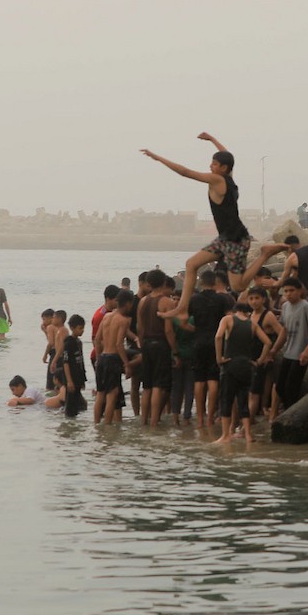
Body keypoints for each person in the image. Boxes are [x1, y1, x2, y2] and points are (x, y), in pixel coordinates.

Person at [142, 133, 279, 319]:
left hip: (235, 240)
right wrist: (212, 139)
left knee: (238, 286)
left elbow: (186, 173)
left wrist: (157, 158)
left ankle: (264, 254)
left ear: (223, 168)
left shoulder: (218, 180)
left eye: (214, 164)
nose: (210, 166)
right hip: (225, 238)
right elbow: (227, 154)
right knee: (191, 264)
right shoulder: (228, 176)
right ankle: (182, 308)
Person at [213, 302, 272, 443]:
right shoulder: (252, 324)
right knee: (243, 400)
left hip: (230, 364)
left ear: (235, 311)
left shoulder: (227, 319)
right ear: (247, 312)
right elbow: (268, 342)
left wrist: (219, 358)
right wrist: (259, 361)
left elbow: (218, 337)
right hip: (246, 366)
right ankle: (248, 435)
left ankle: (226, 435)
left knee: (227, 399)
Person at [189, 270, 231, 428]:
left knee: (199, 380)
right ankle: (210, 418)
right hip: (216, 341)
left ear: (200, 282)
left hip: (198, 340)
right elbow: (229, 319)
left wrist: (195, 330)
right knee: (213, 379)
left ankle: (200, 418)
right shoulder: (222, 299)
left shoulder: (194, 299)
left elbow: (184, 320)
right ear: (215, 283)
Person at [271, 278, 308, 411]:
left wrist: (307, 350)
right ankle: (291, 411)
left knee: (291, 388)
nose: (288, 294)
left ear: (299, 291)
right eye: (286, 291)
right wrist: (274, 349)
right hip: (289, 352)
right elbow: (284, 330)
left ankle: (293, 414)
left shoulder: (306, 307)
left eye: (291, 290)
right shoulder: (285, 307)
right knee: (280, 387)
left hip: (301, 354)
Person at [137, 268, 176, 428]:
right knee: (158, 386)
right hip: (160, 344)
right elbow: (168, 330)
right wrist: (175, 350)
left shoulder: (142, 301)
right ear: (164, 282)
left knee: (146, 386)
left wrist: (141, 343)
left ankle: (144, 421)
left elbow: (139, 327)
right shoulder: (167, 302)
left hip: (146, 343)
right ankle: (154, 422)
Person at [93, 289, 136, 424]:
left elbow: (97, 339)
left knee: (100, 393)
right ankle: (107, 425)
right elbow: (119, 344)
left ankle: (96, 424)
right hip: (112, 359)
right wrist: (127, 365)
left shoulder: (106, 316)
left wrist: (99, 358)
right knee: (112, 394)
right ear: (128, 304)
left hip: (103, 357)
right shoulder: (123, 320)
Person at [247, 286, 283, 424]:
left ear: (263, 299)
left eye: (257, 298)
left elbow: (281, 333)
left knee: (260, 388)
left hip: (264, 356)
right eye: (251, 299)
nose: (254, 302)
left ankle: (256, 415)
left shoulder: (268, 315)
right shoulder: (251, 315)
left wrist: (272, 352)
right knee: (256, 387)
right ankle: (257, 413)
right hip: (253, 356)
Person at [47, 314, 89, 417]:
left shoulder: (79, 342)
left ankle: (74, 425)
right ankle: (69, 424)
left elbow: (81, 361)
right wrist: (69, 381)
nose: (82, 331)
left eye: (83, 328)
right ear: (72, 328)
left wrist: (83, 378)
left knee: (77, 402)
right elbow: (66, 363)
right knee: (70, 404)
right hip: (71, 378)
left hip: (78, 377)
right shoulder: (69, 343)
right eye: (79, 328)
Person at [90, 284, 119, 367]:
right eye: (116, 300)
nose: (118, 302)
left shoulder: (114, 312)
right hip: (100, 356)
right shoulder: (99, 316)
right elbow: (95, 340)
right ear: (108, 299)